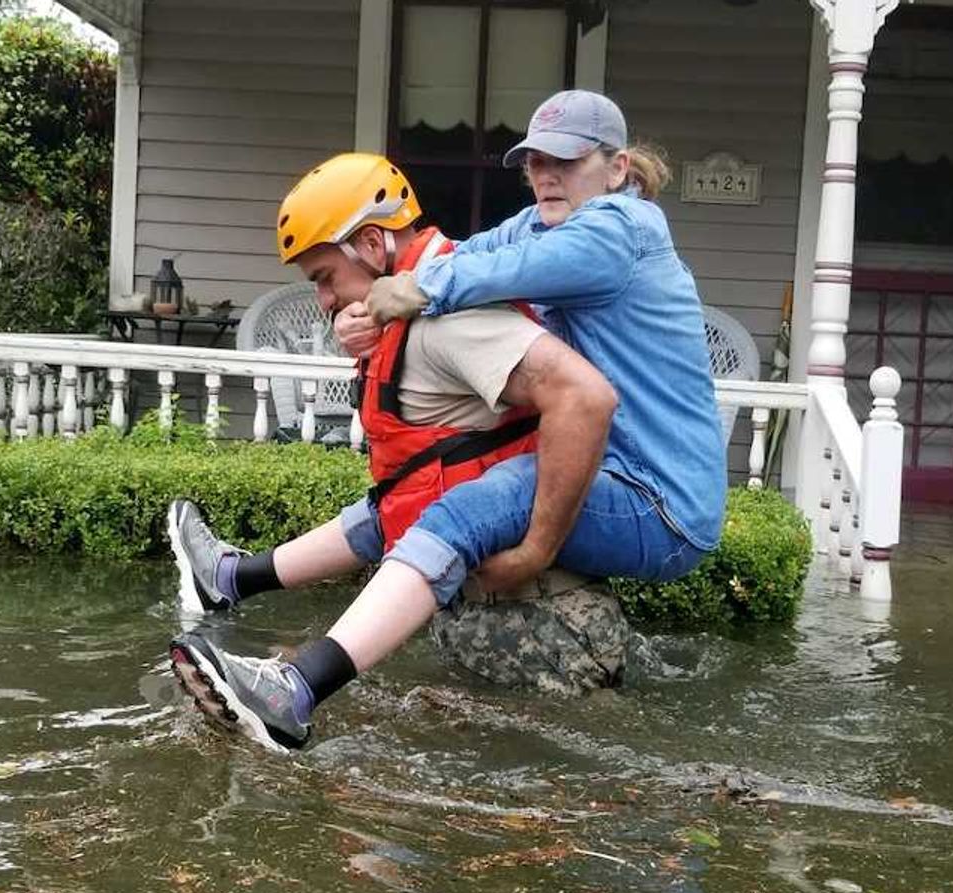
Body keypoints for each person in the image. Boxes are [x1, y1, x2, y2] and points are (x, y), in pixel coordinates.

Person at [170, 91, 726, 753]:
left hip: (659, 503)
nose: (547, 175)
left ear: (617, 167)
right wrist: (370, 305)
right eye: (535, 162)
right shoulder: (545, 224)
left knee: (463, 509)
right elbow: (467, 253)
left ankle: (297, 690)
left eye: (568, 160)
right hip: (617, 476)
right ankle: (231, 579)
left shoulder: (621, 226)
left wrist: (536, 551)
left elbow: (514, 282)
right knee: (426, 488)